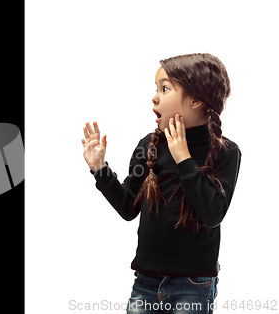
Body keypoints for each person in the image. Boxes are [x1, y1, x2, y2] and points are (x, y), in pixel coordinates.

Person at [82, 54, 241, 313]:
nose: (154, 97)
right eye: (155, 89)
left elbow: (213, 214)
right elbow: (127, 207)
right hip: (145, 281)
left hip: (194, 285)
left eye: (164, 89)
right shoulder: (148, 146)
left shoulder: (227, 152)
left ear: (196, 99)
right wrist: (100, 168)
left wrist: (183, 158)